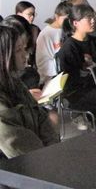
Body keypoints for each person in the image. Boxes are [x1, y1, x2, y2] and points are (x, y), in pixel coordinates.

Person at [0, 26, 58, 158]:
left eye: (23, 48)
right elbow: (17, 143)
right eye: (18, 50)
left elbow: (41, 116)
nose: (25, 55)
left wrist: (52, 148)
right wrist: (48, 155)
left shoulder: (15, 82)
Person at [56, 5, 96, 119]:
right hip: (78, 90)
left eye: (93, 17)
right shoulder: (69, 48)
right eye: (89, 18)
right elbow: (70, 80)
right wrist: (87, 69)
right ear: (75, 23)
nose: (93, 21)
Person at [36, 0, 71, 86]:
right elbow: (43, 64)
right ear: (56, 16)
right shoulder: (46, 34)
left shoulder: (68, 30)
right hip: (52, 80)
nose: (69, 23)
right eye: (66, 19)